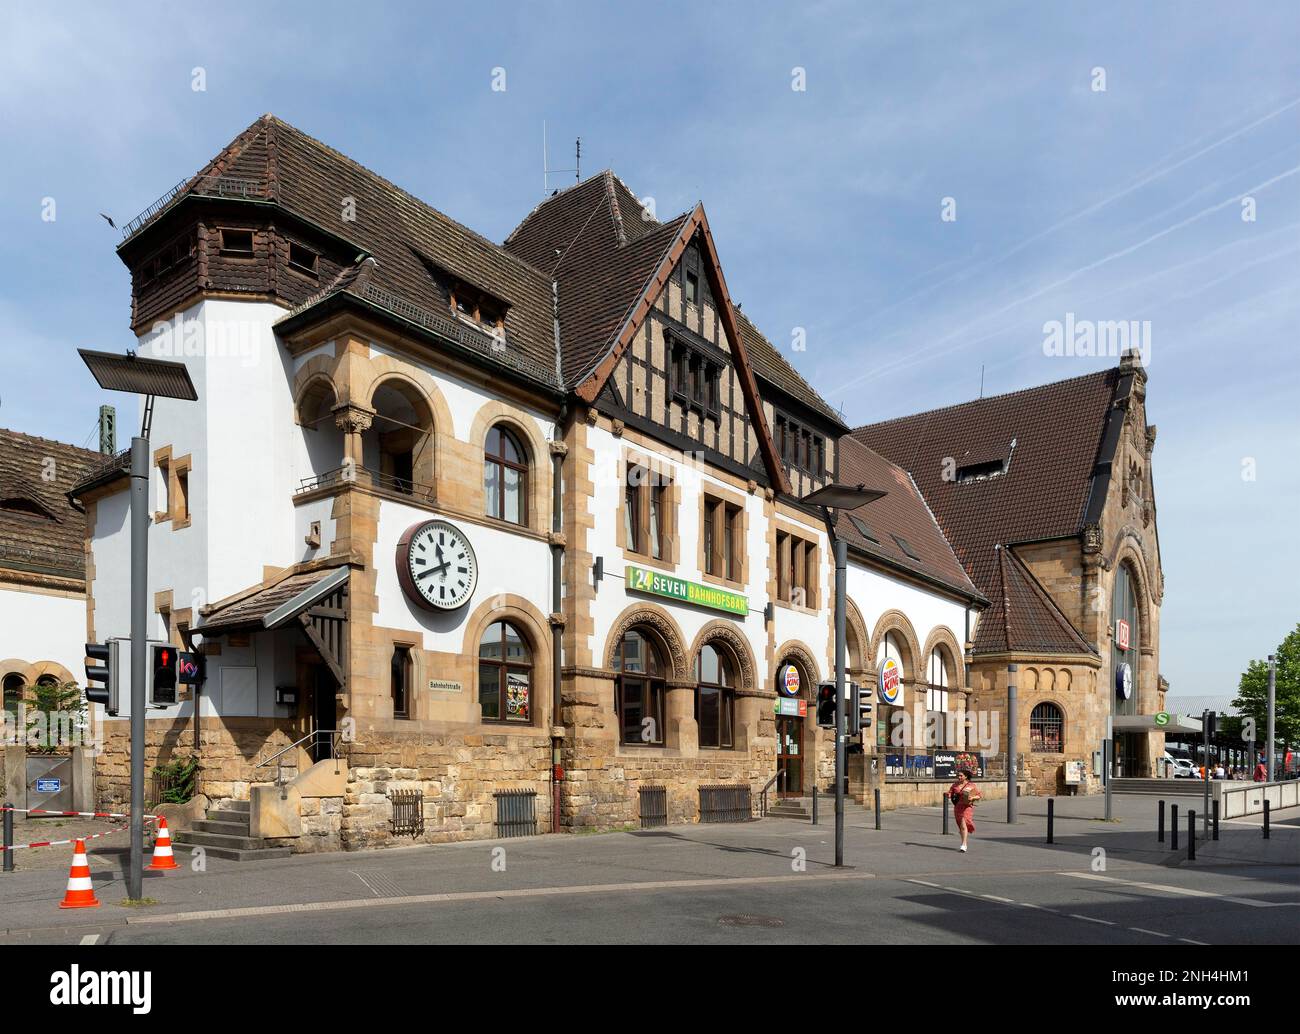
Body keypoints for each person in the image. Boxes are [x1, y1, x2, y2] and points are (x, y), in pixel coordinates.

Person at [948, 768, 982, 852]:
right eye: (958, 775)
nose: (959, 777)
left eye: (961, 775)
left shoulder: (971, 785)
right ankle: (963, 837)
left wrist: (972, 797)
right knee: (961, 826)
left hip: (967, 807)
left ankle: (964, 844)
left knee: (963, 825)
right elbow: (950, 793)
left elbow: (979, 795)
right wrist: (947, 795)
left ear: (966, 776)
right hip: (958, 807)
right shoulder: (955, 785)